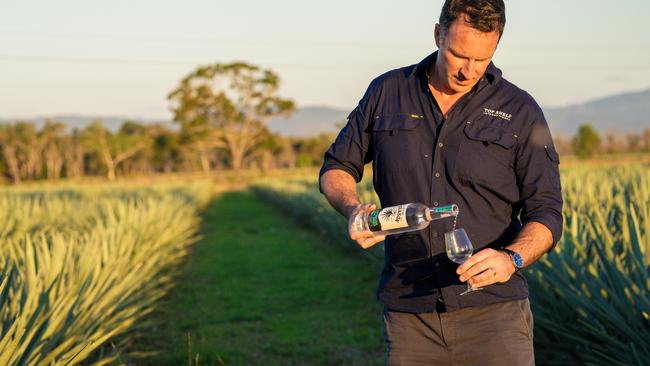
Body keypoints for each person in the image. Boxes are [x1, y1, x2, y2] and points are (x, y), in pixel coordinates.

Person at [318, 0, 563, 364]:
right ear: (437, 34)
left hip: (495, 316)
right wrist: (353, 209)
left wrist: (512, 258)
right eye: (459, 55)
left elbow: (547, 213)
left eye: (482, 59)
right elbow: (337, 166)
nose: (469, 71)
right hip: (409, 314)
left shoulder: (521, 110)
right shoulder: (387, 92)